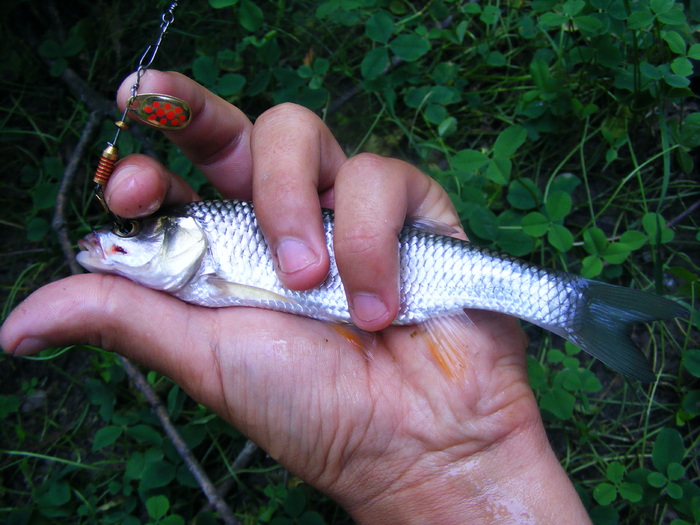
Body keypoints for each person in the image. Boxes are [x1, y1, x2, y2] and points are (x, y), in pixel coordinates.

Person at [0, 71, 592, 523]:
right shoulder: (199, 277)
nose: (115, 243)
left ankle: (571, 305)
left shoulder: (211, 259)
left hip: (424, 299)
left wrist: (479, 460)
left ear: (183, 235)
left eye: (129, 234)